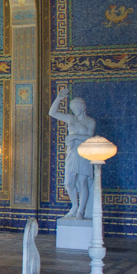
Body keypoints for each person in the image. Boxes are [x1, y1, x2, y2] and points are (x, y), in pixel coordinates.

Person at [49, 87, 95, 219]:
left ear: (83, 107)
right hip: (72, 152)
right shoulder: (71, 119)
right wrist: (59, 98)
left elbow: (90, 138)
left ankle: (81, 211)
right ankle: (74, 206)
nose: (73, 110)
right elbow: (52, 113)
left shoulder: (90, 121)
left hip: (84, 153)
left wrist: (74, 137)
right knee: (68, 182)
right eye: (72, 107)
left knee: (82, 182)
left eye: (75, 107)